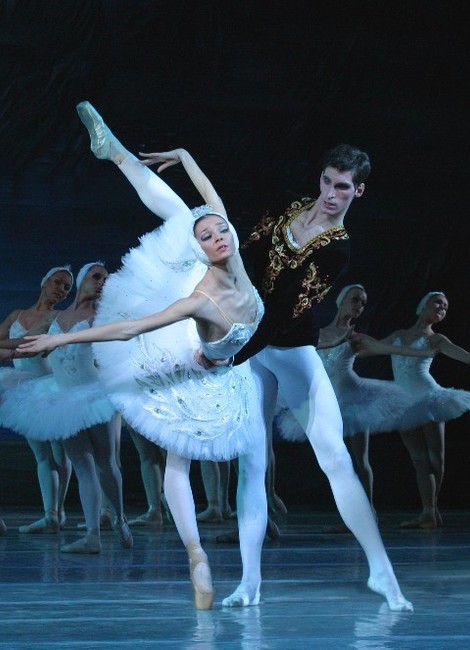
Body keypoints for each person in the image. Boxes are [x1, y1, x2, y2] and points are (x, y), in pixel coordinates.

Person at [136, 141, 416, 612]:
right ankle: (249, 582)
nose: (330, 193)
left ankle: (382, 572)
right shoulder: (290, 208)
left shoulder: (336, 252)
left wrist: (231, 353)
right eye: (327, 182)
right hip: (248, 344)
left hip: (288, 348)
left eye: (342, 187)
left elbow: (286, 312)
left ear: (358, 192)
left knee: (334, 456)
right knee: (253, 462)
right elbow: (240, 255)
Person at [18, 100, 268, 610]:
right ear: (201, 251)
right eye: (209, 236)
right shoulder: (204, 290)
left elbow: (209, 203)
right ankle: (197, 556)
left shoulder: (222, 265)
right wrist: (58, 339)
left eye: (220, 230)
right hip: (204, 372)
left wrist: (186, 155)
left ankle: (208, 556)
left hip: (210, 381)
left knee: (188, 469)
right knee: (181, 469)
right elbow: (131, 325)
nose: (218, 234)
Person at [276, 284, 439, 533]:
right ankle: (351, 515)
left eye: (363, 303)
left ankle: (367, 513)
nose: (359, 306)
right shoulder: (318, 332)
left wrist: (417, 351)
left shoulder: (355, 337)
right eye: (355, 300)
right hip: (328, 402)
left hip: (356, 399)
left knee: (359, 459)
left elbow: (388, 348)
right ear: (341, 301)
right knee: (336, 460)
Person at [5, 262, 133, 554]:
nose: (102, 281)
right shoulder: (60, 317)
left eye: (105, 279)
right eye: (96, 276)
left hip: (96, 395)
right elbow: (36, 346)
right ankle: (92, 535)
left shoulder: (104, 315)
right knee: (81, 464)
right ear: (82, 280)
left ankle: (119, 517)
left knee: (106, 462)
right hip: (64, 398)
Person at [354, 291, 470, 529]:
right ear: (423, 304)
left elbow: (462, 355)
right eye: (438, 302)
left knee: (435, 458)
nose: (442, 308)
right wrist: (348, 346)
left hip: (429, 398)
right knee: (418, 459)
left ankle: (431, 509)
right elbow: (371, 350)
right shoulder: (399, 335)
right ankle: (428, 512)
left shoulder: (437, 340)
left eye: (446, 307)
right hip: (403, 403)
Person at [0, 266, 74, 533]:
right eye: (57, 282)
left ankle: (58, 511)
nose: (61, 289)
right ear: (44, 282)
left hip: (51, 386)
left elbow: (29, 346)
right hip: (23, 387)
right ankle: (50, 514)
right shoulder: (17, 315)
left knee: (60, 451)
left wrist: (9, 353)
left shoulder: (60, 316)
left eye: (66, 287)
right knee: (42, 454)